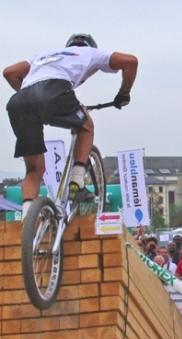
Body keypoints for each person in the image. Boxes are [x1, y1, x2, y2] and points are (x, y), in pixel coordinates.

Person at [4, 34, 137, 219]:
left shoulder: (44, 56)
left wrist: (33, 100)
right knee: (86, 126)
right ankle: (77, 182)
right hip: (53, 91)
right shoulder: (91, 52)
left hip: (19, 102)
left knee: (34, 170)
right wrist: (123, 94)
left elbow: (9, 72)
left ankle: (28, 224)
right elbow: (130, 61)